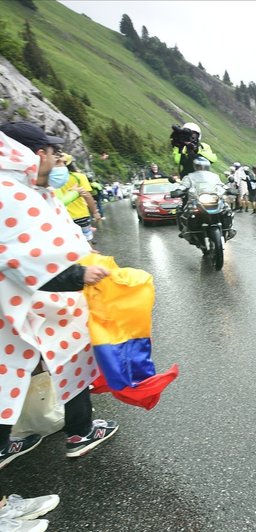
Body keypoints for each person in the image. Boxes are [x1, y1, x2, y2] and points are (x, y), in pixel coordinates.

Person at [0, 121, 119, 472]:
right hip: (28, 298)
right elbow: (18, 255)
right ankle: (80, 432)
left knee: (12, 370)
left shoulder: (24, 186)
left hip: (25, 299)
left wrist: (83, 252)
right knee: (60, 356)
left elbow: (49, 236)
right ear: (38, 154)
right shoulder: (10, 191)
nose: (59, 159)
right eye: (54, 152)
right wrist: (79, 275)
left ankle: (11, 444)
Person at [56, 153, 100, 243]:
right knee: (87, 243)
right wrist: (95, 212)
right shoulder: (79, 176)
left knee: (71, 243)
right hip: (81, 215)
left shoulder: (52, 179)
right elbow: (87, 195)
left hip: (62, 217)